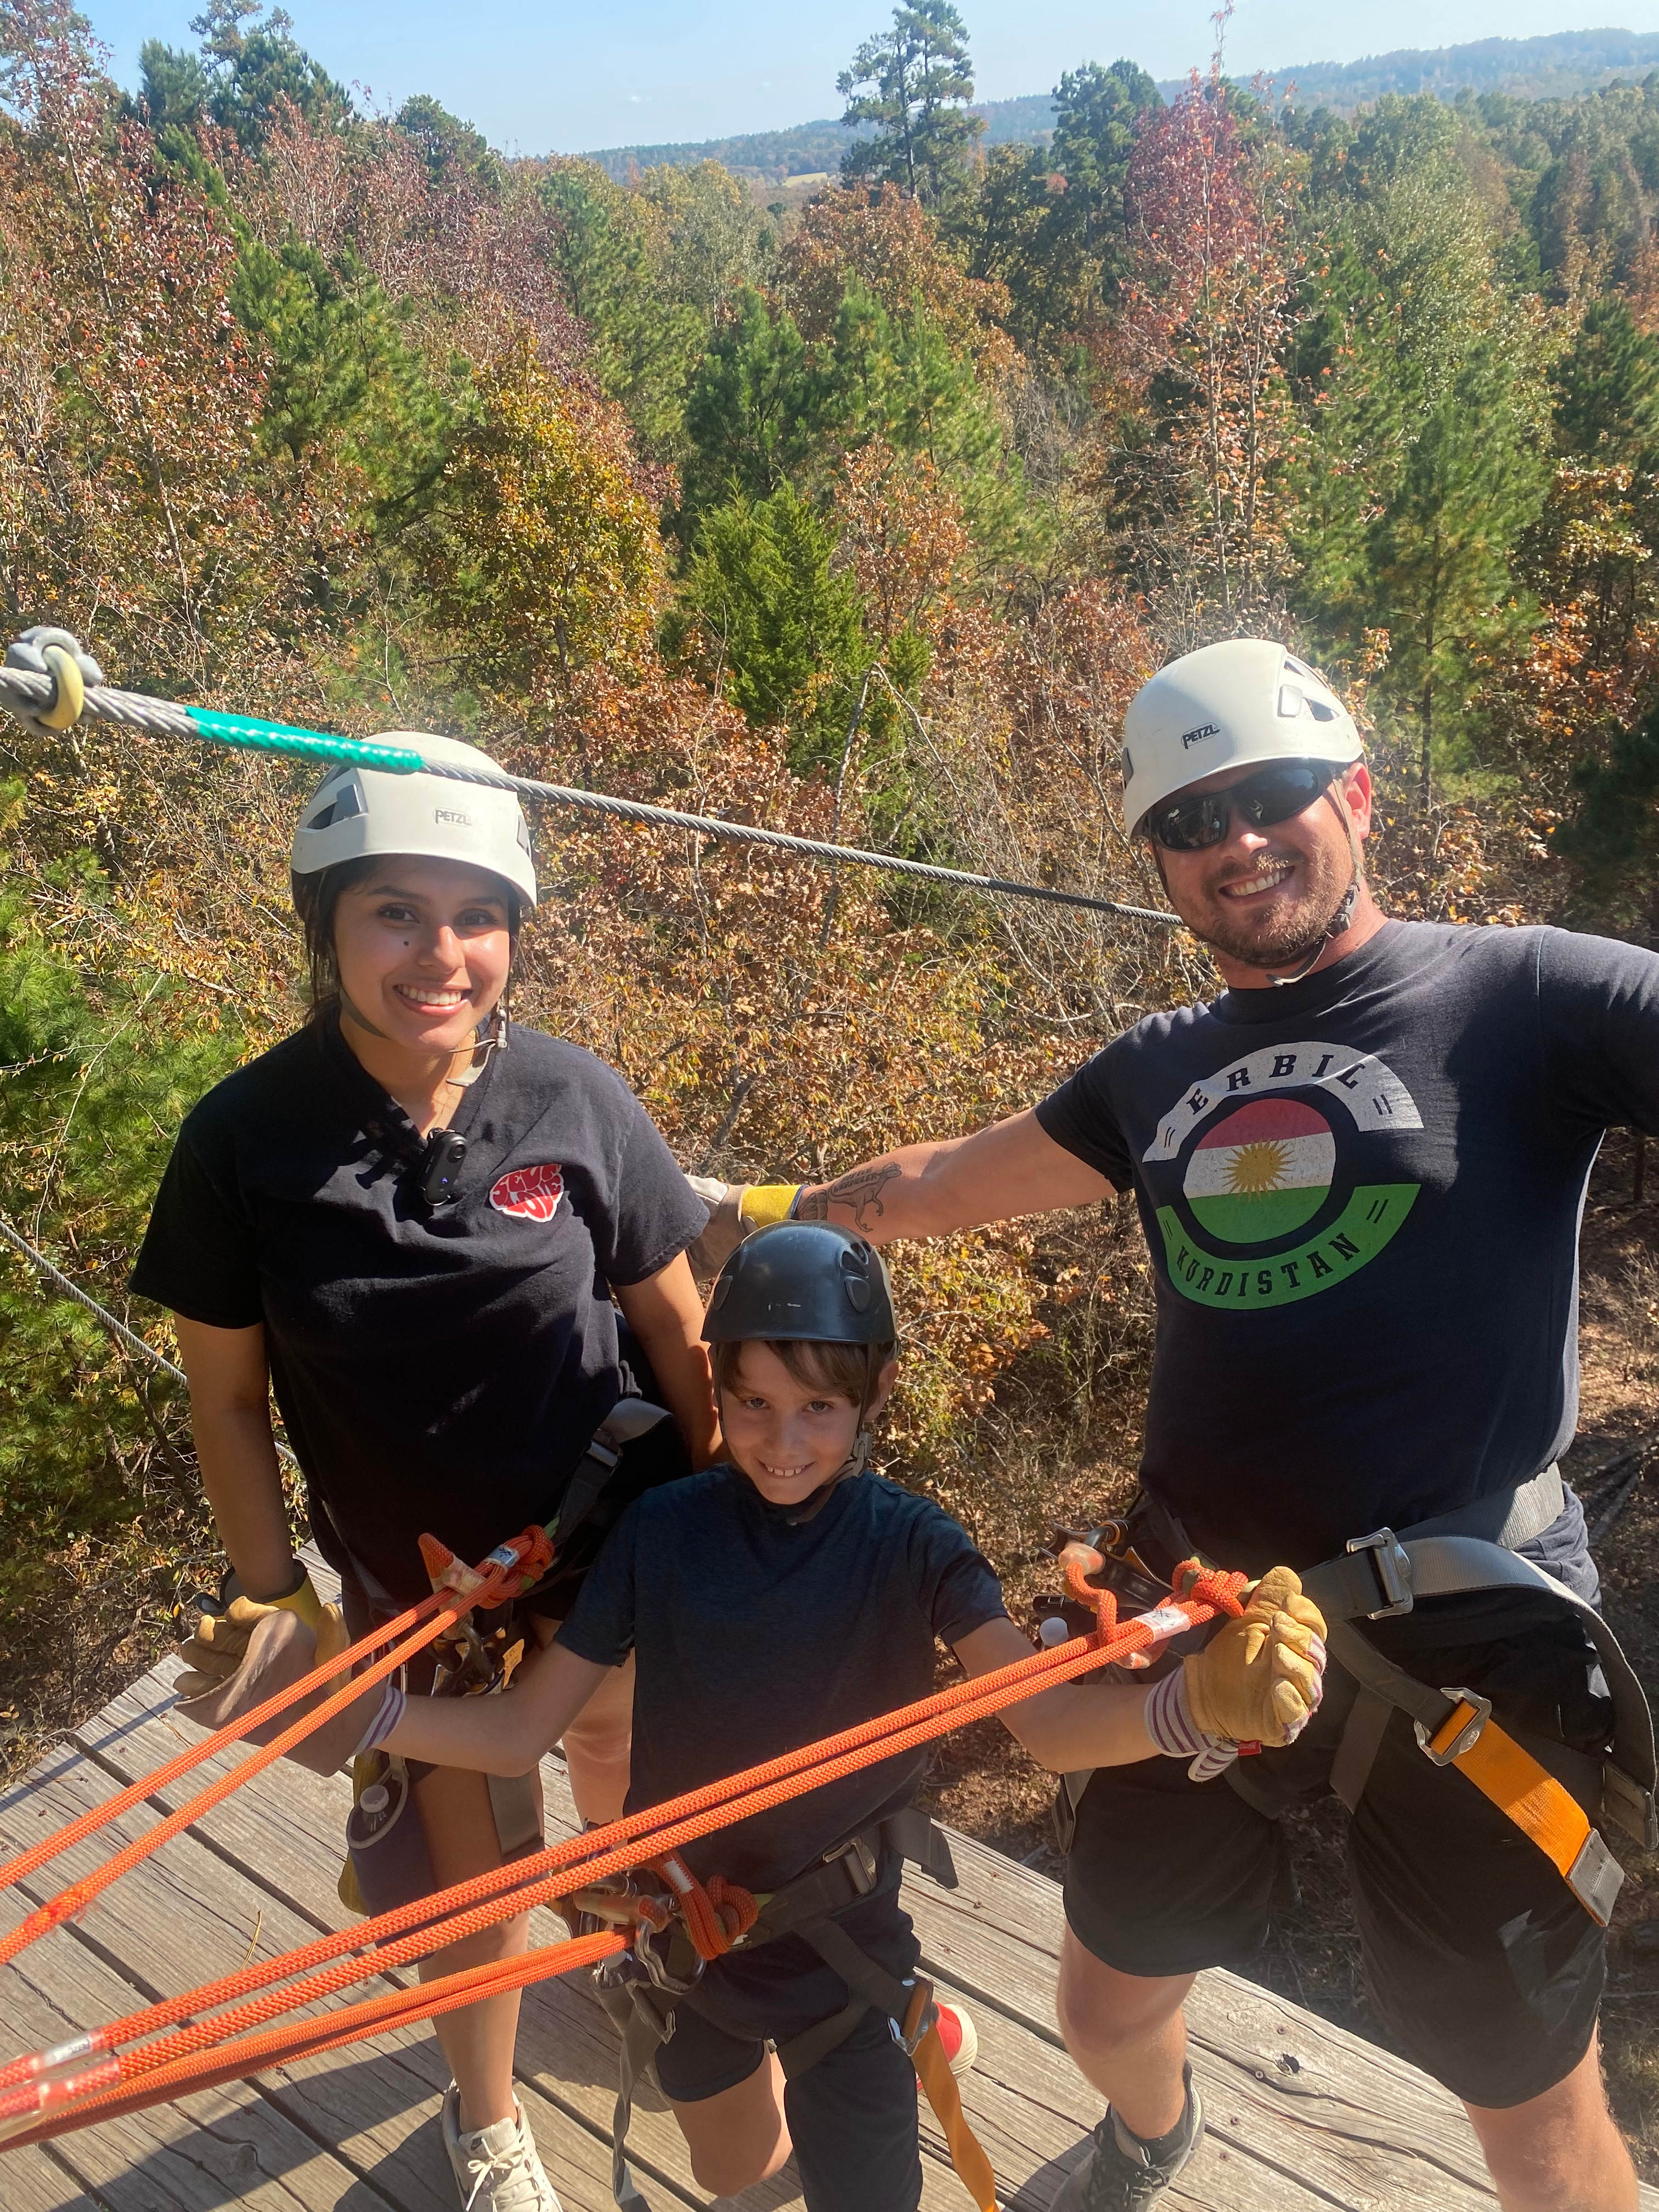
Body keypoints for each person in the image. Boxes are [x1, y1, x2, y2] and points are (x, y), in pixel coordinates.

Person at [692, 639, 1659, 2212]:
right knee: (1104, 2005)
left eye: (1273, 796)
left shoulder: (1525, 996)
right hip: (1193, 1608)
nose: (1237, 841)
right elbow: (937, 1186)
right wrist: (737, 1210)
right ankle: (1156, 2135)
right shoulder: (1156, 1074)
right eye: (1191, 820)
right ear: (1159, 862)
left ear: (1356, 792)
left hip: (1470, 1639)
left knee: (1531, 2112)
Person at [220, 1219, 1327, 2212]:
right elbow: (520, 1731)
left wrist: (1188, 1708)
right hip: (685, 1954)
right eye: (749, 1402)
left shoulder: (915, 1547)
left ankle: (908, 2047)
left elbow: (1045, 1724)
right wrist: (360, 1716)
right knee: (731, 2174)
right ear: (716, 1380)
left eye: (819, 1409)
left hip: (843, 1958)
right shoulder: (666, 1533)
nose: (782, 1440)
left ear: (876, 1393)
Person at [132, 734, 718, 2212]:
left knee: (623, 1781)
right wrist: (277, 1599)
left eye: (476, 915)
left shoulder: (577, 1101)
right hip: (424, 1605)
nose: (440, 953)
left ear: (516, 932)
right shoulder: (246, 1143)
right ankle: (488, 2122)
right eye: (394, 909)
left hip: (618, 1559)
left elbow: (679, 1330)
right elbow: (227, 1402)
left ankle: (631, 1919)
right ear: (325, 924)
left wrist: (735, 1532)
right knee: (477, 1892)